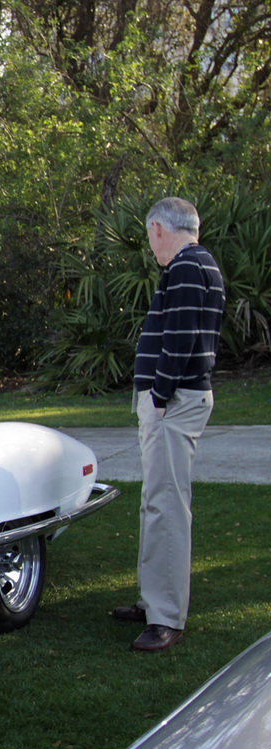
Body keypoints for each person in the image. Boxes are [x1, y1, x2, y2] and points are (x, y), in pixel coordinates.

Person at [113, 197, 226, 652]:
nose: (150, 245)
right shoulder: (202, 264)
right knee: (156, 501)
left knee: (167, 505)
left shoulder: (184, 266)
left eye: (149, 235)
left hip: (173, 402)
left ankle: (166, 617)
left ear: (158, 227)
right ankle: (153, 600)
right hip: (176, 400)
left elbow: (179, 339)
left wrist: (158, 396)